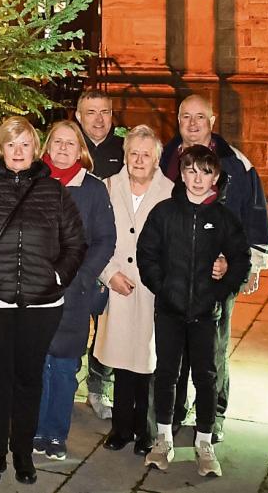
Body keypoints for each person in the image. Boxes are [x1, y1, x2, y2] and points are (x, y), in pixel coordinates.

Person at [0, 116, 86, 485]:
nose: (18, 151)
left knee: (28, 378)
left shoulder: (54, 192)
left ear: (36, 149)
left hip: (42, 304)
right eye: (11, 144)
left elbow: (76, 242)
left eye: (25, 144)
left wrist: (58, 276)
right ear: (1, 148)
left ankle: (23, 454)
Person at [160, 93, 268, 439]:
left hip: (217, 272)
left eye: (200, 117)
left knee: (214, 347)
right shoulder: (165, 159)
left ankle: (214, 414)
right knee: (175, 347)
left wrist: (252, 264)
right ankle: (174, 411)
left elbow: (254, 213)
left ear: (212, 121)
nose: (192, 124)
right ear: (177, 120)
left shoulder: (235, 164)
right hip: (176, 271)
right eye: (185, 117)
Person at [139, 145, 251, 480]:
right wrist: (163, 287)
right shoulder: (164, 213)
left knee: (206, 376)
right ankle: (163, 437)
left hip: (205, 312)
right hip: (169, 309)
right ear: (182, 175)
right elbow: (147, 253)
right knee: (166, 373)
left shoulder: (224, 218)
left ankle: (204, 441)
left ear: (215, 176)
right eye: (191, 171)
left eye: (205, 172)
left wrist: (219, 290)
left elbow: (240, 259)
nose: (197, 178)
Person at [35, 120, 116, 462]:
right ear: (47, 146)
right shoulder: (33, 182)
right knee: (37, 364)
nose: (63, 148)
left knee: (65, 368)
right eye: (58, 142)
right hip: (35, 293)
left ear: (80, 150)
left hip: (73, 293)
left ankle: (56, 433)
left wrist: (81, 278)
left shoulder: (93, 189)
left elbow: (105, 240)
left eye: (71, 143)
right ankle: (35, 429)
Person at [95, 125, 174, 455]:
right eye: (133, 154)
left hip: (152, 288)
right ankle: (121, 427)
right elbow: (95, 236)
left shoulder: (171, 193)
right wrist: (108, 273)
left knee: (147, 361)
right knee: (121, 360)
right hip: (117, 285)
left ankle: (146, 429)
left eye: (146, 155)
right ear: (125, 155)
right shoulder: (107, 187)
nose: (139, 160)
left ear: (156, 159)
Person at [75, 89, 124, 421]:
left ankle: (98, 386)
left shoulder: (124, 150)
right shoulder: (68, 146)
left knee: (108, 327)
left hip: (113, 251)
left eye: (104, 112)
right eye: (91, 112)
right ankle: (65, 381)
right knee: (74, 323)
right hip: (76, 253)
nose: (98, 119)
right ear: (79, 116)